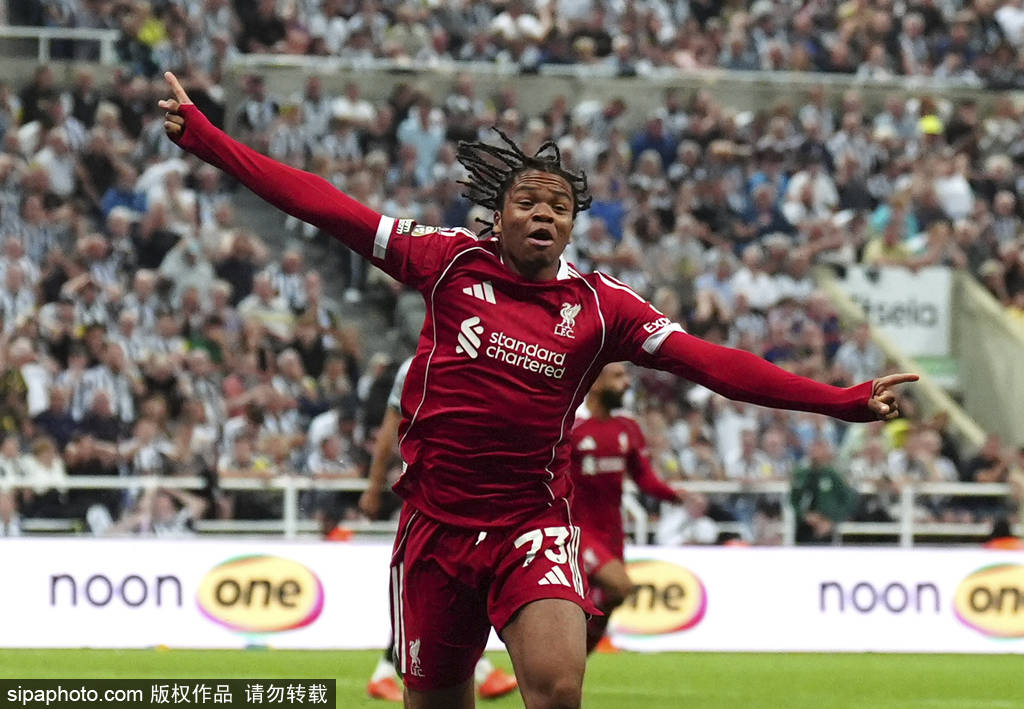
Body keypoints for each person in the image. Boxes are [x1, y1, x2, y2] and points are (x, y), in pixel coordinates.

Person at [160, 71, 915, 709]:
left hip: (531, 524)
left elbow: (712, 362)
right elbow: (324, 205)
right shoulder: (448, 261)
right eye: (528, 202)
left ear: (572, 225)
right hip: (435, 527)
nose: (544, 213)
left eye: (559, 206)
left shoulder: (602, 307)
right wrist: (208, 140)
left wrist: (839, 399)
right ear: (499, 216)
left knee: (557, 691)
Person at [360, 357, 518, 702]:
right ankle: (475, 670)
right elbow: (389, 433)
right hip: (432, 504)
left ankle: (391, 671)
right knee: (435, 593)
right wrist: (372, 489)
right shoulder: (418, 365)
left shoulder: (468, 357)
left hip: (471, 502)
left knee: (453, 591)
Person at [569, 362, 683, 653]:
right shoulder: (573, 427)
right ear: (595, 382)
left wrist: (673, 495)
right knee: (620, 586)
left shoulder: (627, 427)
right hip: (578, 531)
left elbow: (643, 476)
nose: (627, 383)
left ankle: (572, 661)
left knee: (611, 598)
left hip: (612, 532)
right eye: (618, 376)